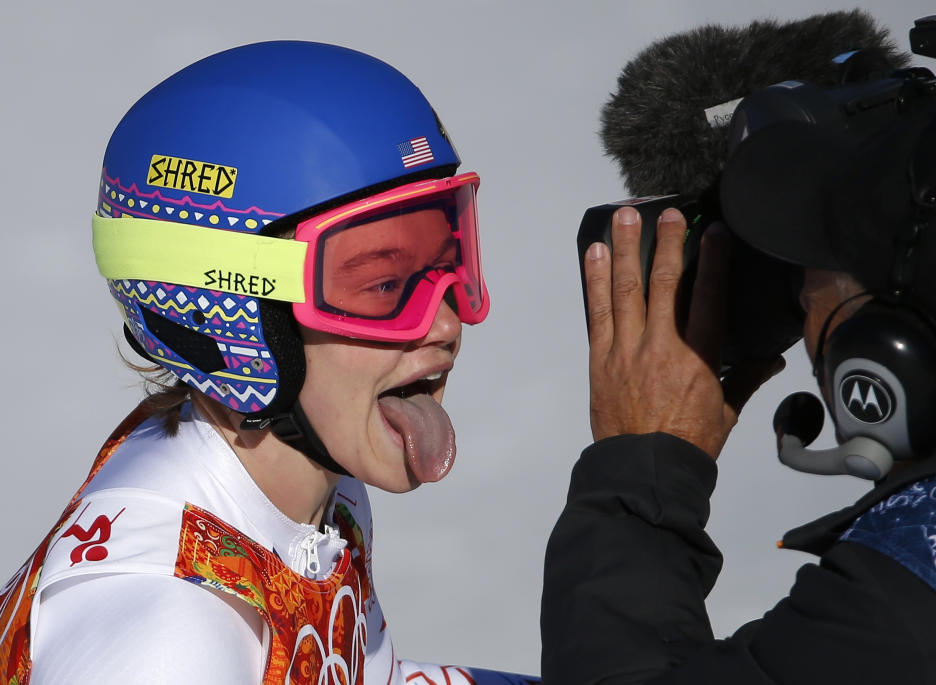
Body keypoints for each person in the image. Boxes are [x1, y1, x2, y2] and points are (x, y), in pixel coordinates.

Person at [0, 41, 535, 684]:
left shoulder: (309, 500)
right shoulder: (171, 633)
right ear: (233, 317)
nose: (447, 323)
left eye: (449, 264)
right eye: (385, 286)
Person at [540, 63, 936, 685]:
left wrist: (643, 472)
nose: (798, 307)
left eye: (811, 277)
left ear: (887, 359)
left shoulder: (908, 609)